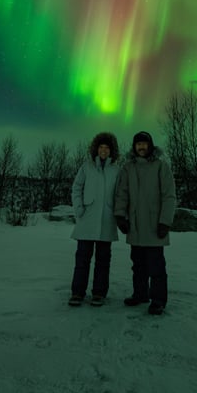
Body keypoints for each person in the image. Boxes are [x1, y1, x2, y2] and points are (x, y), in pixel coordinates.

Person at [113, 130, 176, 315]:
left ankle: (158, 300)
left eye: (144, 144)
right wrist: (120, 216)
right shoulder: (128, 168)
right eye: (138, 144)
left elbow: (169, 196)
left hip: (154, 225)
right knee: (138, 264)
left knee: (156, 266)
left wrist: (165, 221)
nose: (141, 147)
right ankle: (140, 294)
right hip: (135, 225)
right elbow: (122, 193)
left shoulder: (160, 166)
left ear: (150, 146)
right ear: (134, 147)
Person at [68, 131, 121, 307]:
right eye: (101, 147)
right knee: (82, 259)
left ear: (112, 150)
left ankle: (99, 293)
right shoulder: (87, 167)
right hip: (87, 219)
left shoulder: (116, 170)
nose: (104, 150)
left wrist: (118, 212)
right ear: (96, 149)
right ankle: (77, 293)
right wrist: (79, 209)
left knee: (103, 260)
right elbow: (76, 188)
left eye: (107, 147)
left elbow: (121, 194)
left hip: (107, 220)